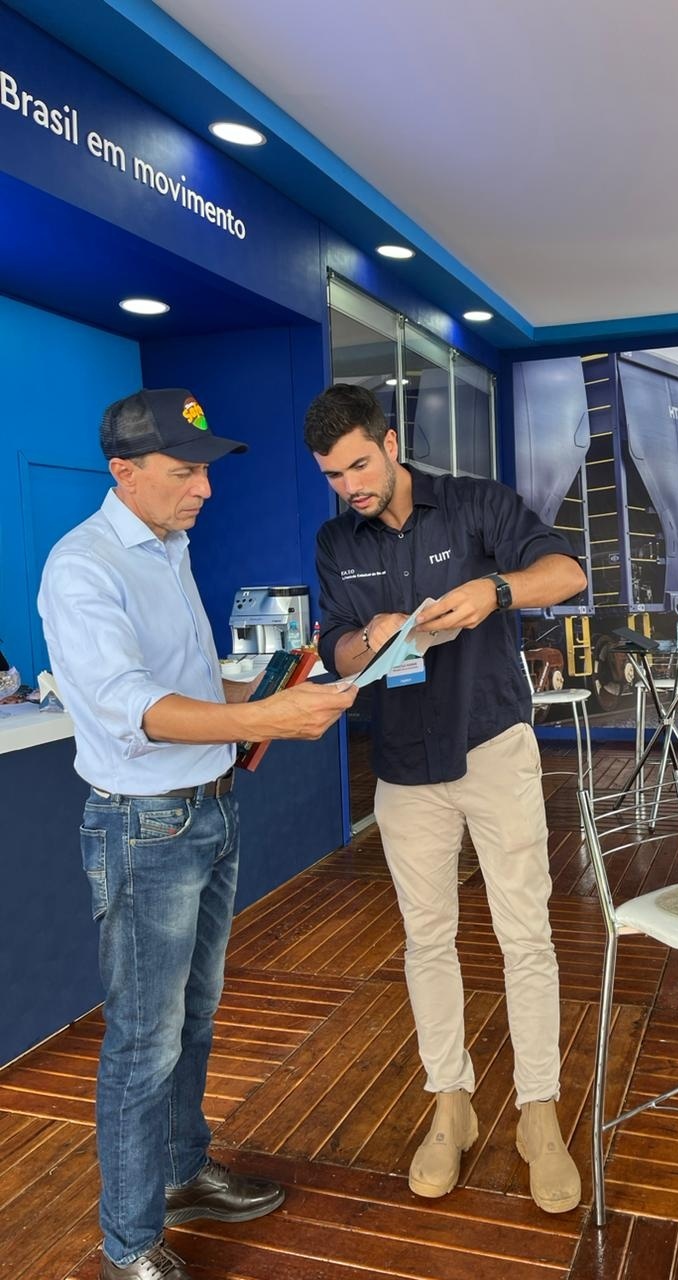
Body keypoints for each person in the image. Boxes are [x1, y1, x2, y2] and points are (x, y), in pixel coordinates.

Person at [38, 389, 357, 1280]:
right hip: (145, 826)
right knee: (144, 1038)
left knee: (195, 1015)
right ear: (124, 473)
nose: (204, 490)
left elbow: (193, 688)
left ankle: (182, 1169)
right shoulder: (83, 566)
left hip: (209, 808)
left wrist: (275, 698)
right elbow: (133, 708)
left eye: (205, 471)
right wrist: (268, 718)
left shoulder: (170, 548)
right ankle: (128, 1243)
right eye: (184, 472)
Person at [304, 383, 587, 1214]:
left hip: (493, 745)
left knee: (525, 935)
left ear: (391, 443)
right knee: (426, 942)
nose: (350, 486)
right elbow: (335, 644)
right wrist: (369, 638)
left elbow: (566, 572)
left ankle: (539, 1112)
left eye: (360, 465)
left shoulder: (474, 505)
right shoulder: (335, 541)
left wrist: (497, 591)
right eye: (333, 474)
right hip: (401, 767)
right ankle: (450, 1105)